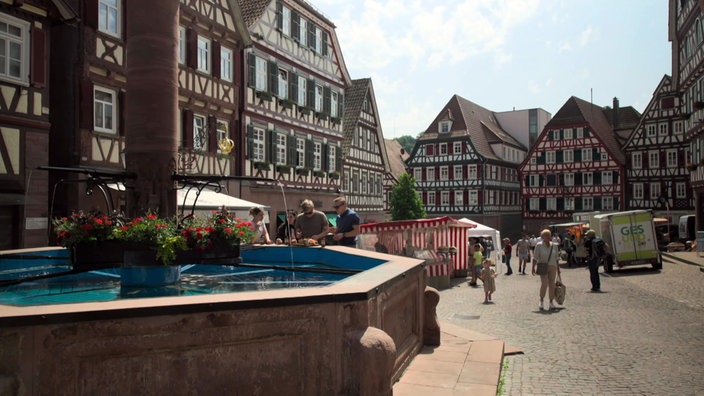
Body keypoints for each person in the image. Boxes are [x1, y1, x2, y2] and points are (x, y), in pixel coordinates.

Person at [531, 229, 561, 310]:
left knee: (552, 285)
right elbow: (535, 257)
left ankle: (551, 302)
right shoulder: (539, 245)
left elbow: (557, 258)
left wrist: (558, 268)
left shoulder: (554, 245)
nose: (548, 237)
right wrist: (533, 267)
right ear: (542, 237)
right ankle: (541, 300)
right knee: (544, 283)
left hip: (553, 266)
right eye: (546, 235)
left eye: (549, 235)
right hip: (543, 266)